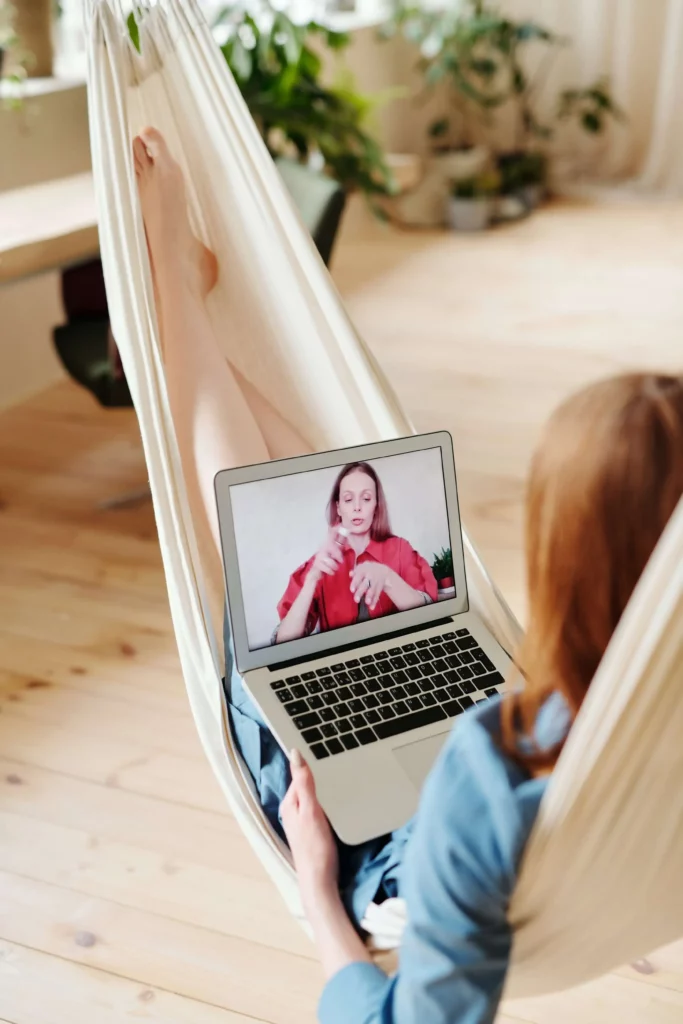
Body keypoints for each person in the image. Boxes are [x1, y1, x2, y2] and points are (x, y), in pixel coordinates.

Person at [133, 128, 683, 1023]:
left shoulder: (487, 769)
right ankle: (183, 311)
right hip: (533, 733)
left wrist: (315, 884)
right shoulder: (647, 699)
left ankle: (169, 295)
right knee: (327, 506)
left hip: (385, 853)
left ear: (565, 560)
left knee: (272, 555)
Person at [276, 461, 438, 643]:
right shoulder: (322, 563)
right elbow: (283, 641)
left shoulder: (401, 549)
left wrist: (387, 578)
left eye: (366, 498)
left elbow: (430, 615)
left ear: (376, 505)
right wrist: (312, 579)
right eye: (348, 499)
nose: (357, 507)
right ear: (338, 508)